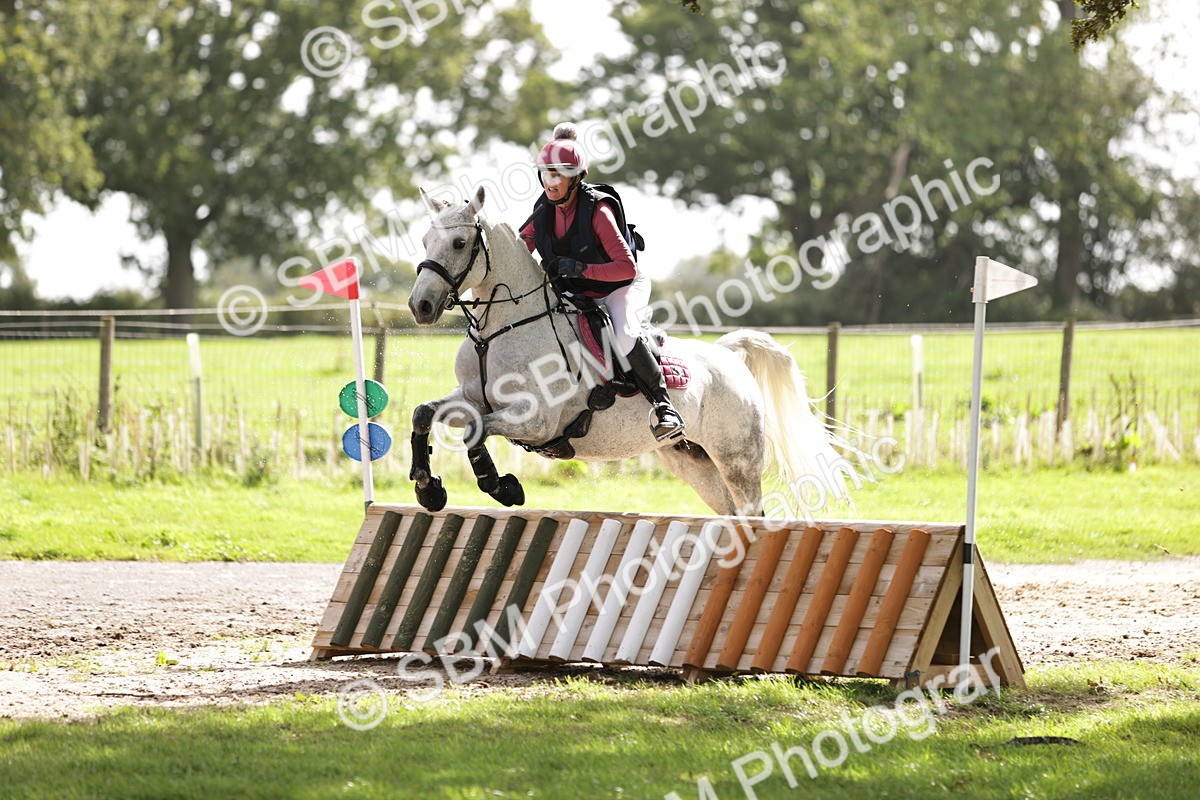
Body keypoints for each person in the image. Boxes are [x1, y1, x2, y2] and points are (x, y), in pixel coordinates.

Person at [519, 123, 685, 442]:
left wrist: (581, 268)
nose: (550, 182)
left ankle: (665, 408)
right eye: (545, 173)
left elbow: (625, 268)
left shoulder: (597, 208)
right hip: (578, 292)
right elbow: (519, 248)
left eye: (558, 174)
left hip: (621, 286)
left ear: (576, 177)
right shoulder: (542, 211)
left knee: (623, 336)